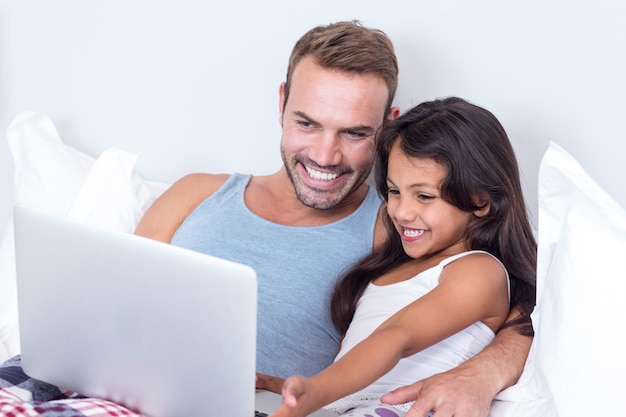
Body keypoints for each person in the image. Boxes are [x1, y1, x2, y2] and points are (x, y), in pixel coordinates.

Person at [0, 21, 532, 417]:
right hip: (85, 385)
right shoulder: (194, 193)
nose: (325, 155)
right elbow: (109, 306)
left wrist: (481, 374)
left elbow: (512, 301)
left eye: (353, 133)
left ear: (388, 128)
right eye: (307, 122)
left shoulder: (396, 226)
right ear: (282, 104)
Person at [268, 97, 537, 417]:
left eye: (424, 196)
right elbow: (355, 376)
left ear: (480, 200)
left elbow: (398, 336)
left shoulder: (479, 271)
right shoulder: (384, 272)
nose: (401, 211)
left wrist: (315, 392)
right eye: (394, 191)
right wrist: (290, 390)